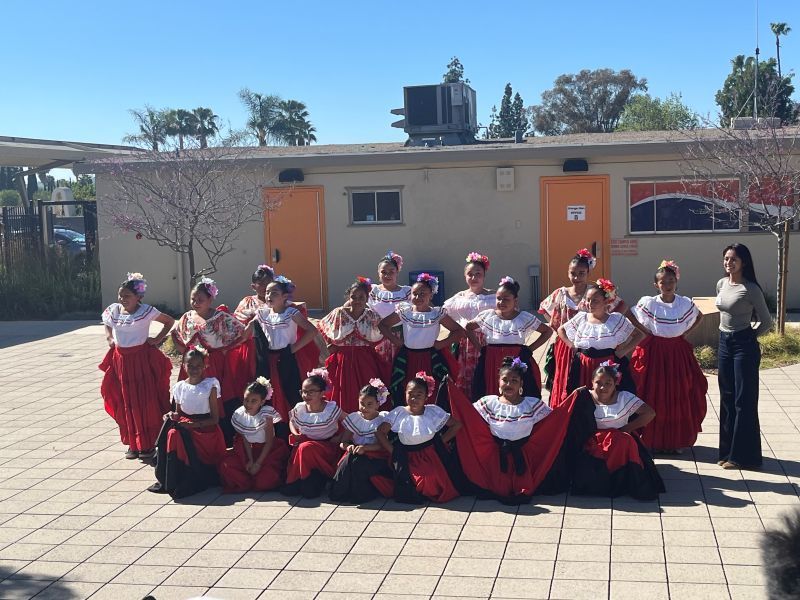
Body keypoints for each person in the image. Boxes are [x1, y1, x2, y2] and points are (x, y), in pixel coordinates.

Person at [450, 357, 585, 504]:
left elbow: (555, 419)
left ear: (521, 383)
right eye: (505, 380)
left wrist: (574, 397)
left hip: (524, 454)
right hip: (496, 455)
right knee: (499, 489)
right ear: (498, 382)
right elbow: (467, 413)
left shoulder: (532, 404)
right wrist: (451, 391)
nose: (509, 384)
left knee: (523, 489)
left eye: (514, 380)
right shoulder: (489, 403)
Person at [630, 260, 708, 452]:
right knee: (654, 393)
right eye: (663, 282)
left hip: (677, 353)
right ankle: (652, 439)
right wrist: (646, 333)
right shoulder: (649, 303)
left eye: (671, 280)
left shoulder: (684, 303)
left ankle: (675, 440)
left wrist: (685, 334)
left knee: (678, 393)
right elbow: (631, 316)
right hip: (655, 352)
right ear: (656, 285)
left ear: (676, 281)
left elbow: (699, 316)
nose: (667, 285)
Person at [99, 272, 174, 460]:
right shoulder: (115, 310)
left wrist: (157, 339)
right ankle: (133, 443)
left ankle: (147, 444)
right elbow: (107, 322)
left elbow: (169, 321)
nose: (122, 299)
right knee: (126, 401)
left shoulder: (145, 311)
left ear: (138, 297)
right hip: (121, 361)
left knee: (144, 400)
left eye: (127, 296)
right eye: (120, 295)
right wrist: (109, 337)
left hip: (140, 360)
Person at [539, 249, 628, 403]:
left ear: (588, 273)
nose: (576, 277)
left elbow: (622, 305)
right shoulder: (561, 293)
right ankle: (565, 411)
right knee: (566, 380)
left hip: (590, 346)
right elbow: (544, 309)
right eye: (573, 273)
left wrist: (610, 324)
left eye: (581, 273)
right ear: (568, 273)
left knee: (591, 378)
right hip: (566, 345)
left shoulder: (594, 293)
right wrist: (559, 325)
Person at [571, 362, 665, 500]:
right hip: (593, 443)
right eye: (599, 382)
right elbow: (564, 416)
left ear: (616, 383)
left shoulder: (624, 397)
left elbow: (649, 413)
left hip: (621, 442)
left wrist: (625, 429)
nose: (603, 387)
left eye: (608, 383)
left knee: (624, 441)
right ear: (592, 382)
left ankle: (620, 479)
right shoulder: (583, 396)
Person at [716, 243, 772, 470]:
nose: (728, 263)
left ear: (743, 263)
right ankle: (727, 452)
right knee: (727, 398)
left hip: (743, 345)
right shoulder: (721, 283)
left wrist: (749, 337)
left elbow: (767, 322)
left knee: (743, 401)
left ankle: (743, 457)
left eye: (733, 259)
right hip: (723, 343)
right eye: (726, 259)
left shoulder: (751, 289)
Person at [172, 277, 245, 445]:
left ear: (210, 299)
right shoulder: (187, 317)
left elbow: (242, 332)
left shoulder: (220, 317)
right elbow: (175, 334)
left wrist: (226, 349)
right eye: (193, 299)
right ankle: (187, 432)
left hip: (214, 363)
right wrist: (183, 351)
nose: (195, 302)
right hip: (191, 363)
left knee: (216, 398)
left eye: (200, 299)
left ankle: (220, 436)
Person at [376, 372, 466, 504]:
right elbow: (380, 432)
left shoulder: (432, 411)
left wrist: (439, 443)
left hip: (429, 455)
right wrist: (393, 451)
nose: (414, 398)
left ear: (426, 397)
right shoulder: (398, 412)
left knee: (432, 479)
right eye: (410, 394)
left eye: (419, 395)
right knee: (409, 482)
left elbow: (456, 425)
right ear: (405, 394)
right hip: (406, 455)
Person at [149, 348, 227, 499]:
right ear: (184, 365)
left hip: (204, 429)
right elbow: (179, 413)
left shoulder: (210, 386)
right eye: (190, 365)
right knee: (173, 433)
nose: (194, 369)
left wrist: (193, 426)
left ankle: (192, 476)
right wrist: (170, 415)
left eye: (198, 366)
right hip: (186, 425)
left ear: (205, 366)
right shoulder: (180, 387)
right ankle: (175, 476)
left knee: (177, 435)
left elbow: (215, 419)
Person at [379, 273, 464, 406]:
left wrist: (441, 344)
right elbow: (383, 325)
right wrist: (396, 342)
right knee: (406, 388)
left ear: (431, 295)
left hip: (430, 358)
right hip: (408, 358)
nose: (418, 297)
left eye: (423, 293)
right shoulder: (405, 311)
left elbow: (459, 331)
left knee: (431, 391)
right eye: (415, 293)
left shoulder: (437, 313)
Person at [555, 279, 643, 406]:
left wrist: (623, 351)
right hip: (584, 365)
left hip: (608, 366)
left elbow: (639, 335)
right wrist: (571, 345)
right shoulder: (582, 317)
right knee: (582, 402)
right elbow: (561, 330)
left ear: (606, 301)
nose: (590, 303)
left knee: (609, 399)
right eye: (588, 299)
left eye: (595, 300)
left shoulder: (616, 319)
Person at [467, 276, 552, 401]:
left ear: (515, 300)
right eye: (499, 299)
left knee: (517, 390)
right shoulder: (489, 316)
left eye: (506, 299)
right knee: (492, 390)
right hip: (492, 360)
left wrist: (529, 349)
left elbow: (547, 331)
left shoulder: (523, 318)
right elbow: (468, 328)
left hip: (516, 359)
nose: (501, 302)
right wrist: (480, 348)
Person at [247, 276, 320, 421]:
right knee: (269, 393)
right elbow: (246, 332)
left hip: (287, 358)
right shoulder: (263, 313)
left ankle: (298, 425)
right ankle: (273, 427)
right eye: (267, 292)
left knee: (290, 391)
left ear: (284, 296)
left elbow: (312, 331)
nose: (269, 296)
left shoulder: (291, 313)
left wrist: (293, 349)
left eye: (274, 293)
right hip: (268, 360)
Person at [317, 277, 389, 413]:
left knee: (367, 389)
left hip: (365, 360)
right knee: (344, 389)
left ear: (367, 298)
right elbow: (323, 326)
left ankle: (367, 422)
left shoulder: (371, 315)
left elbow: (381, 335)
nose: (357, 300)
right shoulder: (339, 313)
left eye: (361, 297)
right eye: (353, 297)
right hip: (343, 359)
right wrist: (329, 345)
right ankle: (345, 425)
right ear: (348, 298)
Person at [218, 377, 289, 493]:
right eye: (246, 400)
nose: (248, 404)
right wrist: (250, 460)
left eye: (253, 401)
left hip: (267, 452)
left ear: (262, 401)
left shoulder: (266, 414)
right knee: (226, 465)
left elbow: (269, 441)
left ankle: (256, 478)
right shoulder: (240, 414)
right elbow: (245, 439)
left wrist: (258, 463)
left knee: (265, 480)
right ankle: (247, 481)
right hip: (248, 451)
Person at [281, 370, 345, 498]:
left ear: (322, 393)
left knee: (305, 448)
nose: (306, 395)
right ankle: (305, 480)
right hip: (304, 446)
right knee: (304, 449)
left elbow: (351, 422)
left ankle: (309, 479)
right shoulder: (299, 407)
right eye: (304, 391)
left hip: (327, 448)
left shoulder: (330, 408)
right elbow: (292, 422)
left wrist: (340, 438)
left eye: (311, 392)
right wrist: (295, 433)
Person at [330, 379, 394, 503]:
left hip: (377, 456)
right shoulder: (355, 418)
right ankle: (339, 492)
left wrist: (365, 448)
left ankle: (361, 494)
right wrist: (348, 447)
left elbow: (383, 446)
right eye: (362, 403)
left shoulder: (383, 419)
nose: (364, 407)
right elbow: (343, 442)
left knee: (357, 462)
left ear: (378, 403)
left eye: (369, 404)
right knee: (350, 459)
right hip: (356, 451)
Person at [443, 252, 495, 398]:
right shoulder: (458, 298)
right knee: (462, 375)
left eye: (478, 274)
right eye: (470, 274)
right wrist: (455, 331)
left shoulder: (493, 297)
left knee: (483, 375)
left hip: (486, 342)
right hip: (463, 343)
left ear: (484, 275)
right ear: (465, 276)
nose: (474, 277)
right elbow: (442, 316)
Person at [367, 251, 412, 365]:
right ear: (378, 273)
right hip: (375, 337)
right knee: (379, 368)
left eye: (391, 272)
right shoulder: (371, 290)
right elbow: (352, 302)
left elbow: (426, 307)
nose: (387, 275)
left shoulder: (407, 292)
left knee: (399, 368)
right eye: (383, 272)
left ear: (397, 272)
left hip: (401, 337)